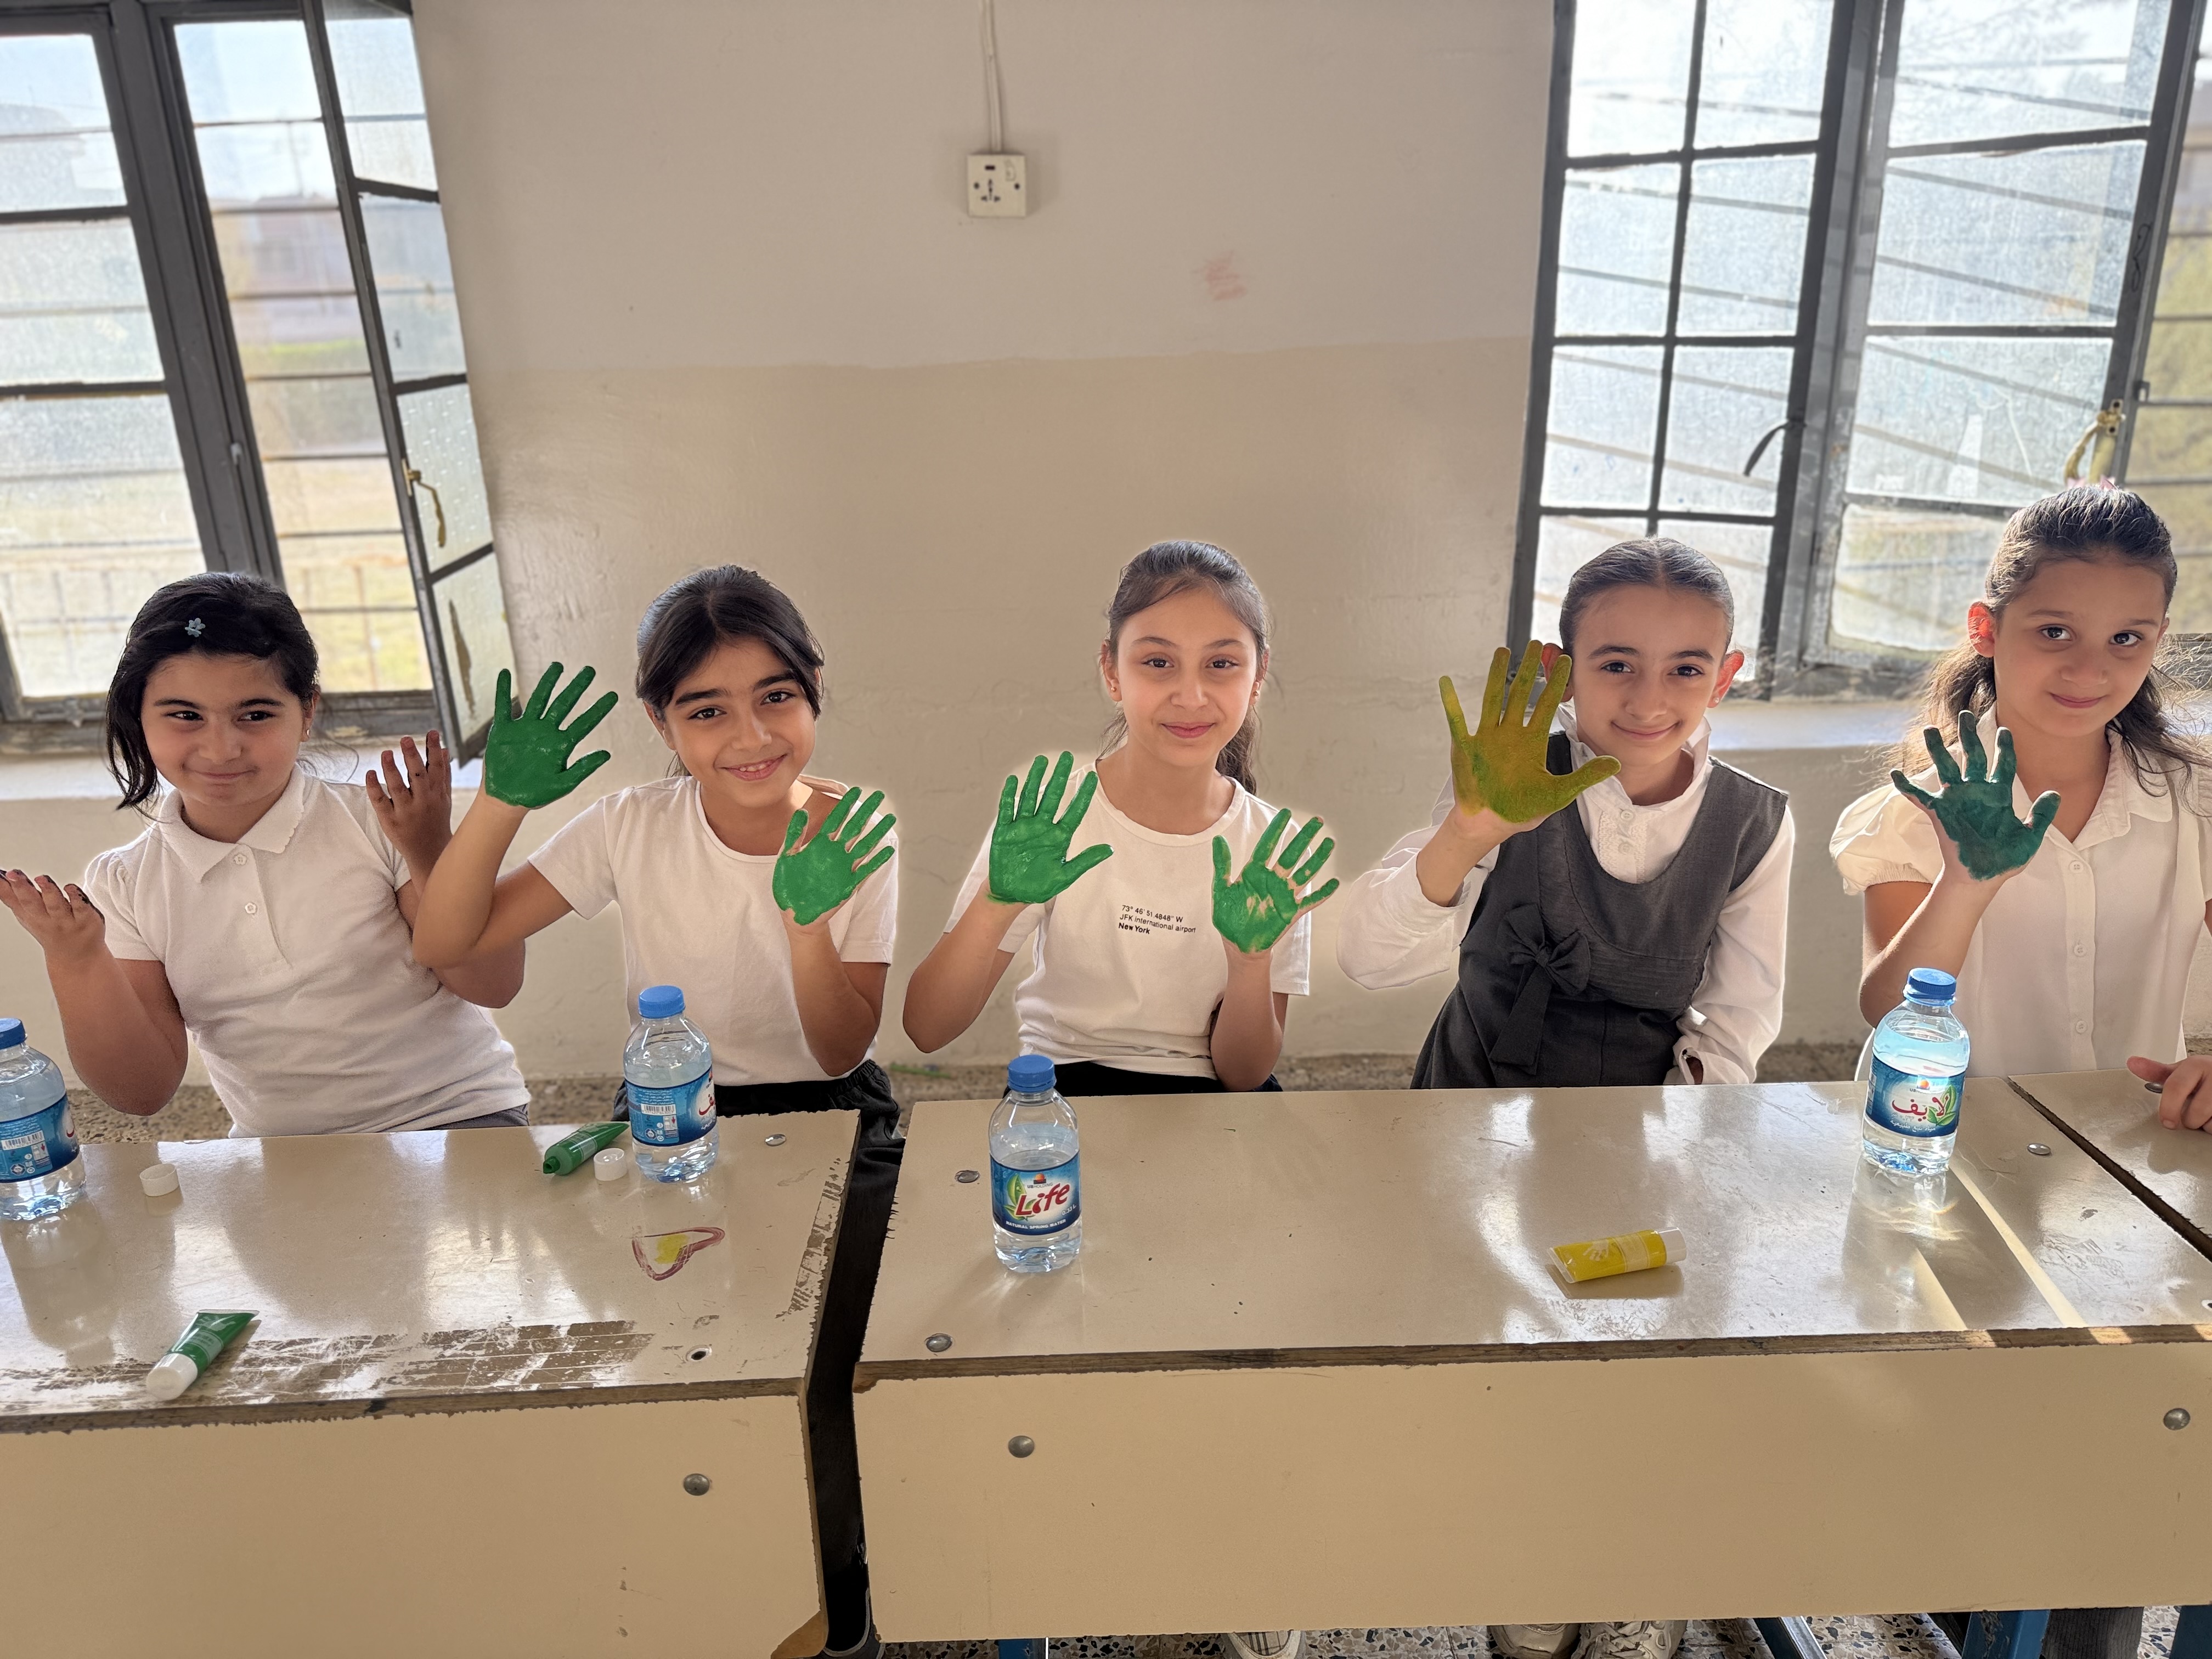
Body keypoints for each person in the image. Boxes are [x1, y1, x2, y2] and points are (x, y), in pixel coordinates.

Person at [410, 563, 900, 1659]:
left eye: (776, 696)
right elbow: (446, 941)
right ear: (660, 723)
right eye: (706, 710)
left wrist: (806, 921)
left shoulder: (852, 828)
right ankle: (710, 1573)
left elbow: (840, 1045)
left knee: (833, 1370)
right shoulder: (629, 823)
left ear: (815, 687)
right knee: (674, 1357)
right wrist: (499, 803)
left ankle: (840, 1600)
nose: (750, 736)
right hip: (672, 1117)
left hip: (831, 1112)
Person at [902, 539, 1335, 1659]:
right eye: (1157, 661)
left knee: (1246, 1328)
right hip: (1063, 1098)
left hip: (1216, 1099)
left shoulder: (1268, 845)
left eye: (1221, 663)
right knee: (1056, 1338)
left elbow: (1243, 1067)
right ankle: (1048, 1551)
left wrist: (1251, 955)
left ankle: (1238, 1549)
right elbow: (929, 1026)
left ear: (1258, 677)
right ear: (1110, 671)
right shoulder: (1051, 815)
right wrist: (999, 901)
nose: (1190, 693)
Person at [1833, 484, 2212, 1659]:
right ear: (1986, 628)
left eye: (2126, 638)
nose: (2091, 667)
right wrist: (1972, 875)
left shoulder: (2194, 798)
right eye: (2054, 630)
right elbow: (1887, 1004)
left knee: (2116, 1449)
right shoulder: (1918, 802)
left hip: (2140, 1171)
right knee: (1966, 1430)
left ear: (2158, 641)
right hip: (1954, 1160)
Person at [0, 571, 527, 1135]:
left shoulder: (383, 822)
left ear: (307, 713)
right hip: (279, 1149)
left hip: (457, 1116)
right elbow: (141, 1092)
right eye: (185, 715)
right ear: (139, 716)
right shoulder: (125, 883)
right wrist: (77, 959)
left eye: (255, 715)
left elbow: (493, 985)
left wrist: (430, 852)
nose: (221, 748)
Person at [1338, 537, 1792, 1101]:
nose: (1648, 702)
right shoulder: (1510, 780)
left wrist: (1673, 1128)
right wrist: (1467, 833)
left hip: (1644, 1118)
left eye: (1685, 669)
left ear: (1722, 679)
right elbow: (1370, 961)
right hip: (1471, 1097)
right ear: (1562, 673)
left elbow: (1735, 1021)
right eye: (1617, 665)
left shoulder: (1752, 821)